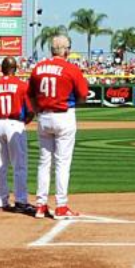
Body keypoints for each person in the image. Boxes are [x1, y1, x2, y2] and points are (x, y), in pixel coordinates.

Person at [28, 35, 91, 219]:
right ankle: (61, 206)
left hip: (44, 116)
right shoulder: (70, 68)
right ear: (65, 50)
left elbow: (30, 94)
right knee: (62, 163)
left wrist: (38, 110)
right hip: (64, 115)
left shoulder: (38, 68)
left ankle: (40, 205)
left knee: (44, 162)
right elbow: (83, 95)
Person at [0, 56, 35, 212]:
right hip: (15, 124)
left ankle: (1, 201)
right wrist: (23, 123)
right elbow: (31, 111)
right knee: (19, 165)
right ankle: (21, 201)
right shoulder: (22, 86)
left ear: (1, 69)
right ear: (15, 69)